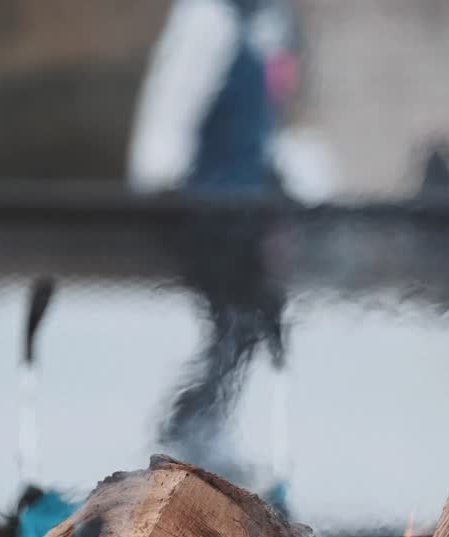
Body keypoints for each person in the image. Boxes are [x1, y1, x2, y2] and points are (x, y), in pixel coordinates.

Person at [127, 0, 290, 504]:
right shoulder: (209, 19)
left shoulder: (254, 24)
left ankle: (201, 427)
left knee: (246, 323)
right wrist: (161, 185)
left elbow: (258, 129)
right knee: (238, 320)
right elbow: (173, 100)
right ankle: (189, 430)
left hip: (239, 205)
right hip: (209, 207)